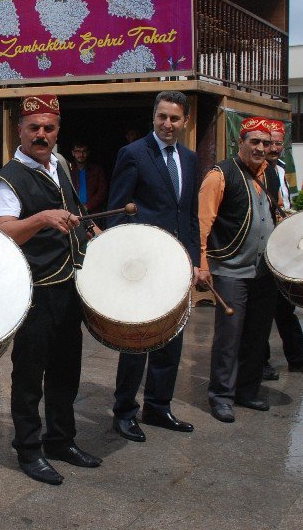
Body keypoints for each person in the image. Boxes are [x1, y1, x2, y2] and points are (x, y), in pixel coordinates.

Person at [0, 94, 102, 486]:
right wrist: (40, 218)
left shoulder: (60, 164)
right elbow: (4, 231)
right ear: (19, 130)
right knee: (29, 374)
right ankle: (28, 449)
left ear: (58, 130)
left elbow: (76, 210)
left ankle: (61, 440)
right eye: (33, 128)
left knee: (65, 369)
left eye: (49, 128)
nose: (41, 135)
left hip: (69, 284)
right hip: (36, 289)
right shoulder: (9, 177)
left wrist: (94, 232)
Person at [109, 91, 199, 443]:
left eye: (174, 118)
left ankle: (159, 406)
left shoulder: (189, 159)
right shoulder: (133, 154)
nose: (167, 124)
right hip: (142, 264)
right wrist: (125, 260)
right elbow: (118, 210)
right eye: (162, 116)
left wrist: (194, 259)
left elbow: (189, 214)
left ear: (185, 121)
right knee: (138, 338)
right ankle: (124, 411)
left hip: (176, 264)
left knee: (171, 337)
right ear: (153, 117)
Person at [198, 116, 278, 424]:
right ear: (240, 142)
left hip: (264, 271)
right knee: (228, 337)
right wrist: (203, 266)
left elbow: (277, 214)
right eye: (254, 142)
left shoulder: (269, 174)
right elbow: (202, 225)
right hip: (230, 269)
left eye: (265, 143)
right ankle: (221, 396)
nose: (260, 148)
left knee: (257, 335)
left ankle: (247, 390)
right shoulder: (220, 175)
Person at [260, 119, 303, 381]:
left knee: (285, 307)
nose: (274, 147)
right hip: (266, 248)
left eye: (278, 143)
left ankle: (298, 358)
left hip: (284, 248)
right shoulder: (259, 171)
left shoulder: (281, 169)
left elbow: (284, 203)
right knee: (264, 309)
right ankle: (260, 360)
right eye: (270, 142)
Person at [69, 142, 108, 214]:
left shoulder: (96, 170)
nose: (81, 155)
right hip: (72, 212)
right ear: (73, 153)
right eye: (78, 151)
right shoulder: (68, 169)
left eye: (84, 151)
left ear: (88, 152)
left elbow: (102, 192)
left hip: (94, 213)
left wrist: (87, 206)